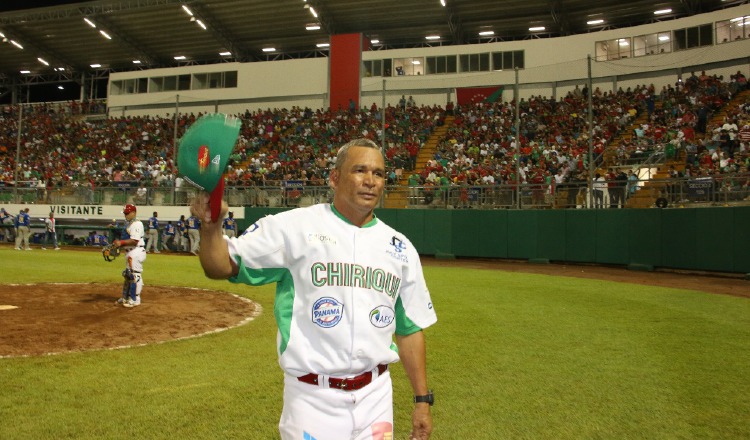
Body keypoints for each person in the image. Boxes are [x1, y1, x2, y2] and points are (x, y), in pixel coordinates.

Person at [190, 138, 437, 440]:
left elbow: (409, 329)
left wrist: (422, 400)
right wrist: (211, 226)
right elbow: (219, 266)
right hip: (312, 399)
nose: (370, 181)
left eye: (379, 173)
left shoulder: (399, 248)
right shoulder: (293, 228)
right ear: (334, 178)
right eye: (359, 170)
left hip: (377, 398)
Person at [114, 204, 146, 308]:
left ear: (134, 213)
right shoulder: (128, 224)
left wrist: (121, 243)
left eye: (127, 213)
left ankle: (135, 299)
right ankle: (126, 297)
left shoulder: (137, 224)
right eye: (125, 213)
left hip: (136, 251)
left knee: (135, 275)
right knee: (128, 275)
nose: (125, 215)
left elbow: (134, 241)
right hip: (130, 251)